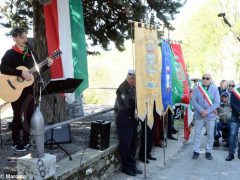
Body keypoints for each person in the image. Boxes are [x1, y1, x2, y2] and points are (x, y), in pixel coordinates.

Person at [0, 27, 53, 152]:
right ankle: (16, 141)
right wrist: (20, 72)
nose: (25, 39)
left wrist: (47, 64)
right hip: (13, 88)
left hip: (28, 89)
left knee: (29, 115)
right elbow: (3, 69)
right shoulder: (10, 53)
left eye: (25, 37)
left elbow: (38, 68)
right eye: (22, 37)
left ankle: (26, 141)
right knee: (18, 115)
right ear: (15, 38)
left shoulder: (30, 53)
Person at [114, 70, 142, 176]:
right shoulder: (122, 88)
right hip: (124, 121)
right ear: (129, 78)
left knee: (133, 145)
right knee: (125, 146)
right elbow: (127, 104)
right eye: (133, 79)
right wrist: (135, 112)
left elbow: (136, 102)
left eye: (135, 80)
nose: (134, 82)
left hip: (132, 121)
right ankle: (126, 167)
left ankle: (132, 166)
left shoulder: (133, 88)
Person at [191, 73, 220, 160]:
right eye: (204, 78)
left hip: (210, 116)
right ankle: (196, 151)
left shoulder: (215, 89)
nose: (205, 80)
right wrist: (201, 111)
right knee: (197, 134)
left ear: (211, 80)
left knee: (210, 135)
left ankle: (208, 151)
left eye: (207, 78)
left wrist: (207, 112)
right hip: (199, 115)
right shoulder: (196, 88)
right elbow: (194, 101)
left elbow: (217, 102)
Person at [225, 84, 240, 161]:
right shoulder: (235, 91)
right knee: (232, 136)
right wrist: (239, 112)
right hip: (235, 116)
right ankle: (231, 154)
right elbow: (232, 104)